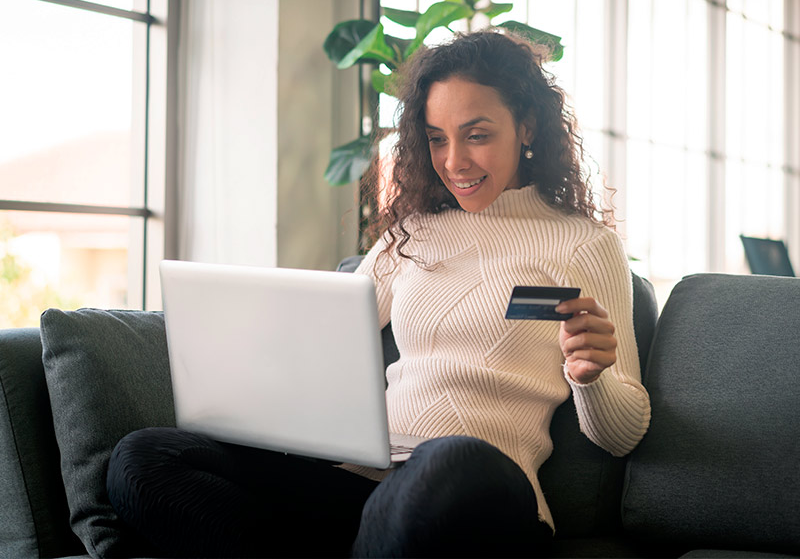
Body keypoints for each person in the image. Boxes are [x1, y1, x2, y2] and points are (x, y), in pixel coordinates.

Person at [106, 29, 650, 558]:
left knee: (450, 459)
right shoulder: (410, 236)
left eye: (477, 134)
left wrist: (592, 379)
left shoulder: (583, 244)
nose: (454, 161)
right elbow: (322, 344)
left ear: (527, 127)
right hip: (362, 487)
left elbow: (622, 435)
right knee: (143, 458)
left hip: (477, 489)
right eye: (437, 138)